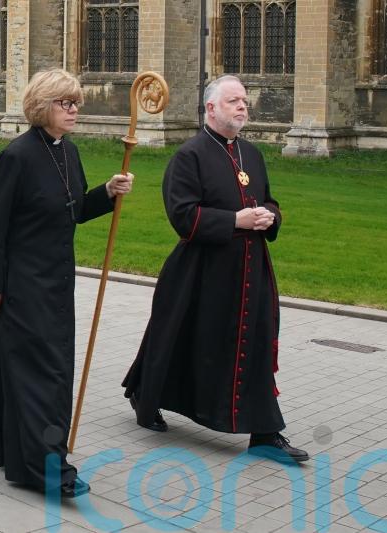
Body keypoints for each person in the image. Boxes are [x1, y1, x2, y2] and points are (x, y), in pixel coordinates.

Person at [121, 75, 308, 463]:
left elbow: (269, 201)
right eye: (233, 101)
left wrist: (268, 217)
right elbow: (182, 216)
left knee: (253, 344)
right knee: (179, 338)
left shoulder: (251, 154)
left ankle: (266, 433)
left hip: (251, 272)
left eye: (244, 101)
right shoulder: (188, 156)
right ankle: (145, 395)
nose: (242, 107)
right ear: (210, 108)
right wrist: (235, 221)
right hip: (200, 273)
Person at [0, 69, 133, 498]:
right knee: (39, 375)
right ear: (42, 105)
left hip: (58, 283)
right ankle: (46, 468)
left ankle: (18, 449)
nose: (74, 110)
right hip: (22, 287)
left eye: (76, 103)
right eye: (65, 103)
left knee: (52, 369)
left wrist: (108, 191)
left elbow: (76, 209)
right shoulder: (16, 157)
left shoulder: (68, 152)